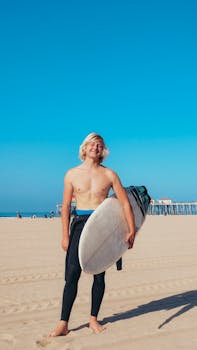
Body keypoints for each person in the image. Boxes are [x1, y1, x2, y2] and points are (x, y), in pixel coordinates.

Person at [49, 132, 136, 337]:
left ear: (103, 151)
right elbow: (65, 208)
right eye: (92, 144)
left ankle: (93, 320)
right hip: (79, 224)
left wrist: (131, 229)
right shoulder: (71, 174)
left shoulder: (110, 175)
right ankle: (63, 323)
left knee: (99, 274)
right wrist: (64, 235)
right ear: (84, 148)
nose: (96, 148)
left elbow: (124, 203)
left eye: (100, 145)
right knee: (72, 274)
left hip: (101, 225)